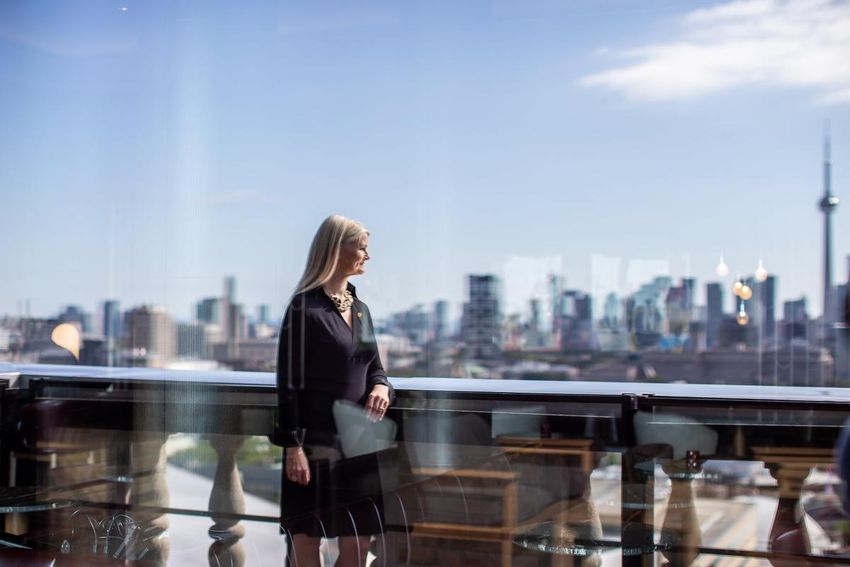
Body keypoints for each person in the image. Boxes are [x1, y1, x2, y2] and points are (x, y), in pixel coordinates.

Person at [275, 214, 393, 567]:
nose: (367, 257)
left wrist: (382, 388)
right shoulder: (303, 308)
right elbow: (288, 384)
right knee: (307, 540)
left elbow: (375, 367)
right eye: (362, 248)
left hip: (359, 444)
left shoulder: (361, 310)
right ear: (337, 249)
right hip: (315, 446)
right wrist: (293, 447)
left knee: (358, 544)